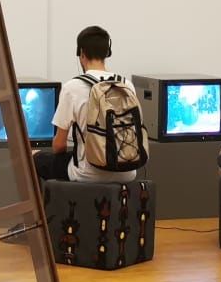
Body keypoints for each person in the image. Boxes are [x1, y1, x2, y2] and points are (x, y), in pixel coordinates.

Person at [34, 26, 143, 184]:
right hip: (127, 170)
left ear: (81, 53)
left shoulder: (72, 87)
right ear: (108, 52)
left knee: (35, 158)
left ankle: (52, 201)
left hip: (88, 173)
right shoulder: (126, 85)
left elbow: (59, 145)